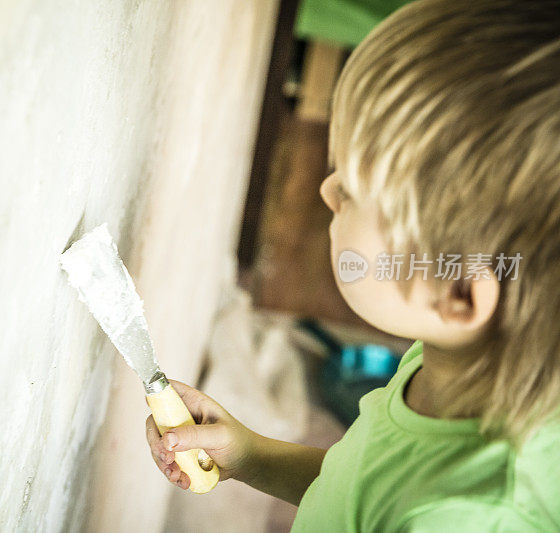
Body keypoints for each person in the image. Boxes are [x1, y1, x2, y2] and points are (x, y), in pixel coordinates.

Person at [145, 0, 560, 530]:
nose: (326, 189)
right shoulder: (449, 364)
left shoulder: (468, 517)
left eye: (354, 190)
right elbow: (365, 484)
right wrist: (250, 455)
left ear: (459, 295)